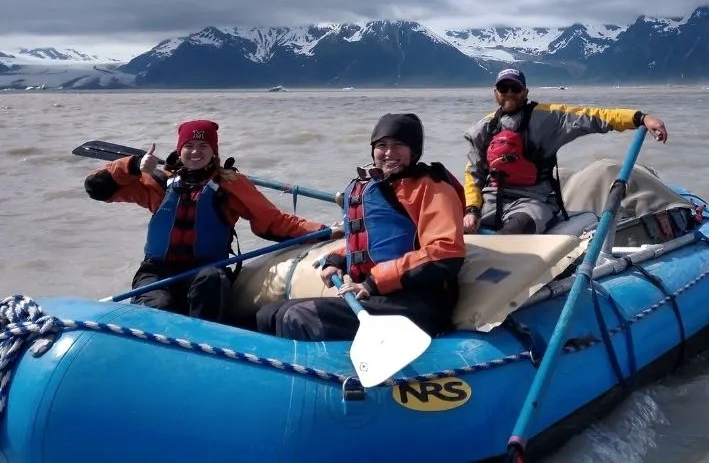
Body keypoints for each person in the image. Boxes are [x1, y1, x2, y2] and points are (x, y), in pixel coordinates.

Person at [84, 119, 329, 323]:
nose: (195, 151)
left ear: (214, 152)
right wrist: (132, 165)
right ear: (179, 150)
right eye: (189, 145)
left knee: (210, 281)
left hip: (207, 271)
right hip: (157, 271)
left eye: (203, 145)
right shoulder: (157, 182)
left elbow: (273, 221)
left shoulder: (230, 184)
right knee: (159, 306)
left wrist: (323, 231)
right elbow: (96, 188)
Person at [256, 113, 466, 341]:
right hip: (378, 295)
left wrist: (373, 282)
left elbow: (445, 253)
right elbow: (375, 241)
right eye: (381, 145)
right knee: (269, 314)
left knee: (299, 316)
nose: (388, 153)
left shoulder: (433, 188)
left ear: (414, 151)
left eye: (399, 145)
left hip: (417, 302)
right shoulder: (378, 186)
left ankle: (321, 374)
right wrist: (339, 259)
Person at [463, 68, 669, 235]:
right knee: (450, 226)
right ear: (495, 93)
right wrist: (471, 209)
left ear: (525, 92)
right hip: (491, 200)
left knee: (513, 231)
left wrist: (640, 117)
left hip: (533, 201)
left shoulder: (548, 118)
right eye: (503, 88)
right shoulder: (483, 129)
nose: (509, 93)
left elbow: (593, 116)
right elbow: (474, 175)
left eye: (515, 88)